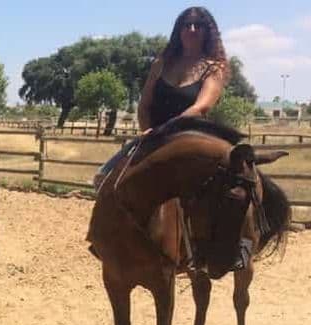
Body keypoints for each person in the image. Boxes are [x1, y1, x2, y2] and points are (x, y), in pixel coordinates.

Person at [94, 6, 228, 189]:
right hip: (153, 137)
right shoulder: (161, 63)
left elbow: (201, 107)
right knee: (104, 177)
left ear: (208, 31)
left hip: (190, 138)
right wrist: (148, 131)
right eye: (187, 24)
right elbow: (144, 105)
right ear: (179, 30)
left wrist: (166, 131)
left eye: (198, 25)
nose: (192, 29)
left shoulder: (214, 68)